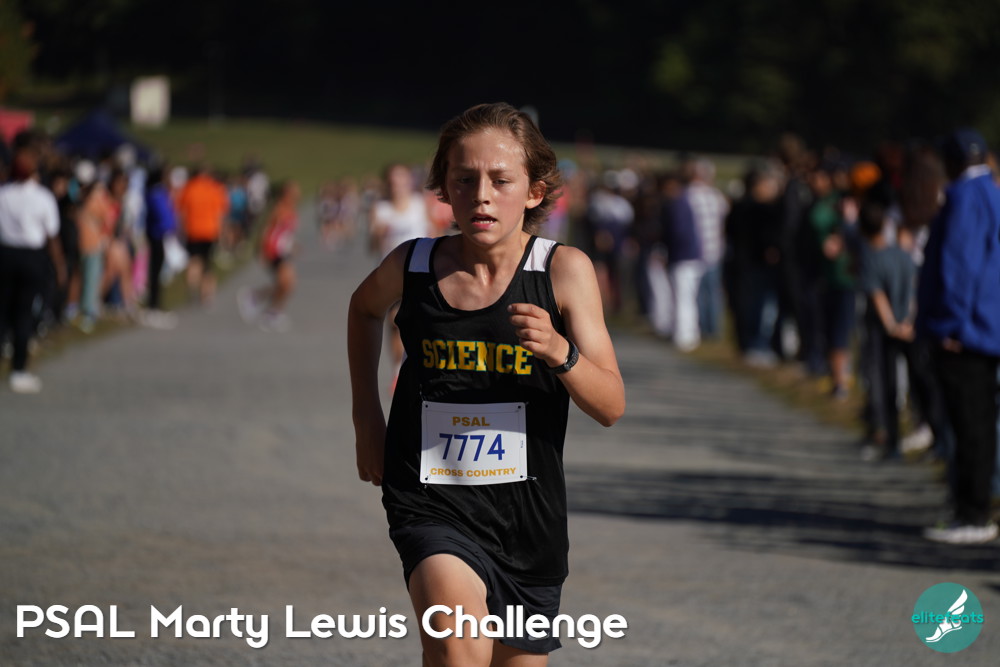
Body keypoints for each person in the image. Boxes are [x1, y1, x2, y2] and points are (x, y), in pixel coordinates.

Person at [348, 103, 625, 666]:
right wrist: (367, 418)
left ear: (535, 192)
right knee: (458, 649)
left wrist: (561, 353)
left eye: (501, 181)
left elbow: (611, 405)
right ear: (443, 189)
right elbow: (363, 309)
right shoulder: (414, 265)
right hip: (430, 502)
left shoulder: (562, 271)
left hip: (528, 520)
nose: (481, 196)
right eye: (464, 179)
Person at [918, 128, 1000, 544]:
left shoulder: (964, 198)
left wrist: (948, 323)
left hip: (965, 330)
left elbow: (959, 267)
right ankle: (975, 506)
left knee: (968, 424)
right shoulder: (992, 193)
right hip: (988, 325)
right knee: (980, 422)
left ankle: (972, 512)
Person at [0, 145, 66, 393]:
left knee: (3, 310)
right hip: (30, 256)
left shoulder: (4, 194)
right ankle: (18, 369)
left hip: (6, 254)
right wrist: (59, 265)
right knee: (23, 313)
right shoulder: (42, 197)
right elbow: (52, 236)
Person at [238, 180, 300, 332]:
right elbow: (266, 229)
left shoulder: (291, 209)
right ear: (285, 194)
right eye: (294, 191)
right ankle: (270, 310)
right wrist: (261, 250)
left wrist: (292, 245)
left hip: (282, 251)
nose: (297, 193)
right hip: (272, 250)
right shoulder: (278, 209)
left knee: (286, 284)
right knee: (288, 282)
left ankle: (258, 299)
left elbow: (284, 233)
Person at [177, 165, 228, 306]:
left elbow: (182, 211)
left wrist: (182, 229)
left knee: (194, 260)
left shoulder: (188, 188)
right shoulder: (215, 188)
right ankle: (207, 294)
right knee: (207, 264)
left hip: (192, 230)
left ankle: (192, 289)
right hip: (210, 231)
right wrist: (222, 233)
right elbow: (220, 214)